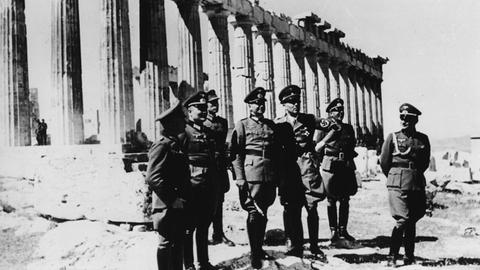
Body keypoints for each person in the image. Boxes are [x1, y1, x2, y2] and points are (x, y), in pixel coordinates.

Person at [275, 85, 332, 258]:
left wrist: (320, 144)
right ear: (283, 104)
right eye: (291, 102)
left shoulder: (308, 119)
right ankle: (293, 243)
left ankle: (314, 246)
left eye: (297, 101)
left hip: (307, 166)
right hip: (289, 168)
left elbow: (334, 127)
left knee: (311, 206)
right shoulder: (278, 123)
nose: (295, 104)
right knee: (291, 207)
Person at [230, 87, 279, 269]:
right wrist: (240, 177)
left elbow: (275, 151)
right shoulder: (242, 125)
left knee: (264, 211)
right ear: (249, 106)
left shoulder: (270, 125)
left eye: (262, 103)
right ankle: (254, 253)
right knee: (253, 212)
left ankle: (259, 248)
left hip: (269, 174)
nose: (260, 106)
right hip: (251, 174)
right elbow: (235, 153)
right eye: (256, 103)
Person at [380, 103, 430, 267]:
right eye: (402, 117)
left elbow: (424, 163)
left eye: (408, 118)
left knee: (413, 218)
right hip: (397, 183)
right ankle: (392, 256)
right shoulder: (393, 137)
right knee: (402, 219)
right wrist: (396, 176)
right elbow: (384, 162)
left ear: (415, 120)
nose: (404, 121)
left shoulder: (422, 139)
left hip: (415, 182)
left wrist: (412, 174)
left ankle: (409, 256)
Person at [145, 101, 192, 270]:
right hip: (167, 205)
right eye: (181, 120)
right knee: (166, 244)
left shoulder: (175, 144)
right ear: (172, 124)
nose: (185, 123)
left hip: (178, 204)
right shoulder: (162, 145)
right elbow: (153, 177)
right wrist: (172, 199)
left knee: (177, 243)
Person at [181, 91, 219, 270]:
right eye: (199, 108)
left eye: (205, 108)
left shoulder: (209, 131)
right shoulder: (184, 132)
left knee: (204, 226)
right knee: (188, 227)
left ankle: (203, 262)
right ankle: (188, 264)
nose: (203, 111)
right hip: (191, 186)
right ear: (189, 111)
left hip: (209, 185)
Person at [315, 98, 358, 243]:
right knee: (331, 199)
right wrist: (321, 165)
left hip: (345, 165)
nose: (340, 113)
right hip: (330, 165)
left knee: (345, 199)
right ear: (330, 113)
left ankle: (343, 230)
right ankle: (333, 231)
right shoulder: (324, 127)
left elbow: (352, 146)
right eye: (336, 110)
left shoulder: (348, 128)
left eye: (341, 110)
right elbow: (317, 148)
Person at [204, 90, 235, 247]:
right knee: (206, 201)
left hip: (220, 166)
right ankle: (203, 234)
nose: (215, 105)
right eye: (212, 103)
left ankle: (218, 233)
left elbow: (225, 144)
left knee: (220, 200)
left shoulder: (222, 122)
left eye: (216, 102)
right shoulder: (202, 123)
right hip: (208, 166)